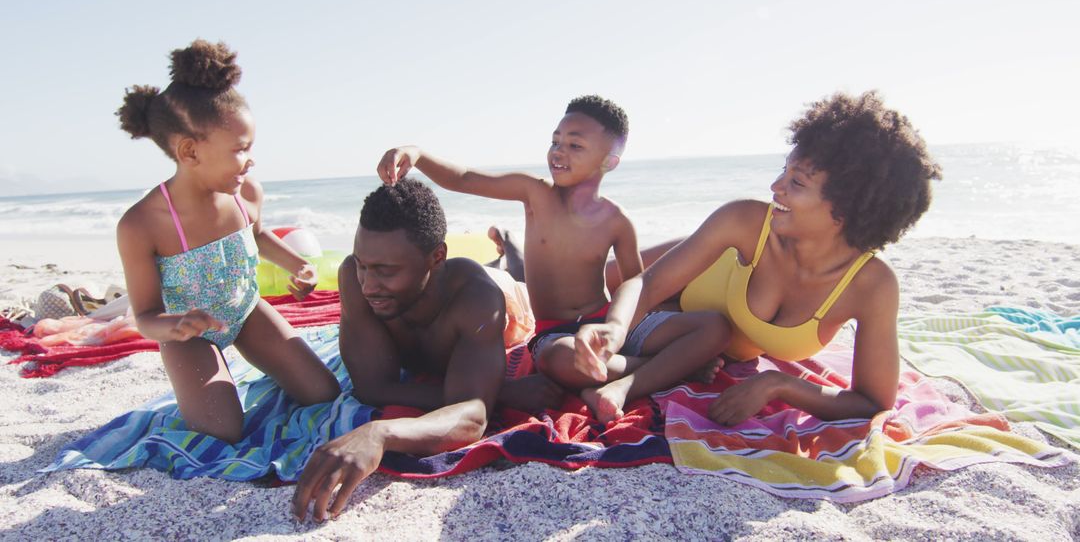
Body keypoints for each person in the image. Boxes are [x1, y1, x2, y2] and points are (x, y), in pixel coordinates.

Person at [575, 91, 943, 425]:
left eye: (796, 183)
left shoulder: (870, 286)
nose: (775, 187)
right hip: (685, 284)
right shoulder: (747, 220)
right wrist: (616, 328)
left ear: (846, 209)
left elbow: (873, 400)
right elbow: (645, 282)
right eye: (784, 170)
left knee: (700, 337)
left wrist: (779, 385)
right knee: (598, 279)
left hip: (698, 334)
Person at [377, 96, 726, 423]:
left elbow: (638, 291)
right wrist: (417, 154)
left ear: (609, 161)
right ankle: (662, 367)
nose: (559, 152)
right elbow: (466, 178)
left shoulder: (618, 222)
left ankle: (629, 377)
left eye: (575, 145)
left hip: (609, 329)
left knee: (714, 326)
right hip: (557, 335)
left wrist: (639, 328)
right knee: (560, 361)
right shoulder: (536, 193)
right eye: (556, 141)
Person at [114, 40, 340, 444]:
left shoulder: (246, 193)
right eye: (241, 149)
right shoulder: (142, 225)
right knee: (222, 430)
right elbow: (146, 315)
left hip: (246, 312)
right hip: (189, 338)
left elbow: (256, 234)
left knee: (323, 393)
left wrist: (297, 266)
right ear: (189, 151)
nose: (250, 159)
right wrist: (177, 324)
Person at [291, 179, 511, 522]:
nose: (368, 285)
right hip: (448, 344)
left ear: (437, 257)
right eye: (363, 264)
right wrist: (500, 391)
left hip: (512, 301)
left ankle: (510, 245)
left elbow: (472, 416)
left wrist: (381, 432)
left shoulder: (476, 300)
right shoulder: (354, 277)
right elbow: (372, 387)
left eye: (386, 271)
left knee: (512, 274)